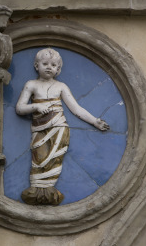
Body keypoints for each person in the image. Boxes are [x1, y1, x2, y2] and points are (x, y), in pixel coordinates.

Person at [15, 48, 109, 205]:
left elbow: (76, 108)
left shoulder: (61, 87)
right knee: (39, 159)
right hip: (39, 129)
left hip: (59, 128)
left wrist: (94, 121)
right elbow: (19, 108)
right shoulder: (31, 85)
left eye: (53, 65)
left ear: (58, 69)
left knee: (55, 160)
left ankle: (49, 192)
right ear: (36, 65)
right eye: (45, 63)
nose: (49, 67)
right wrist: (35, 107)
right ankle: (35, 192)